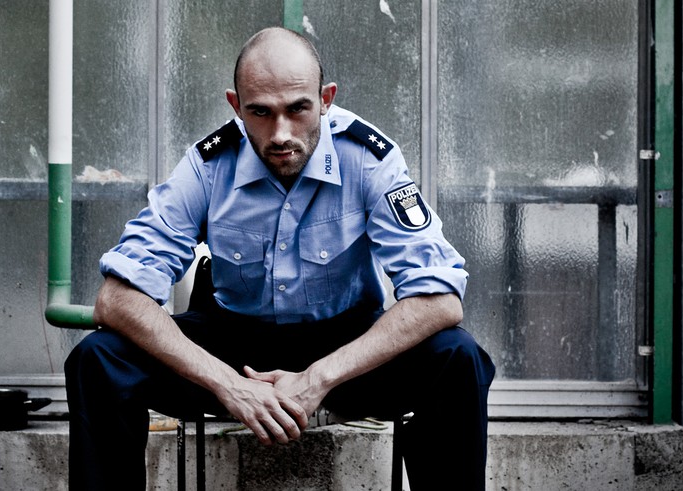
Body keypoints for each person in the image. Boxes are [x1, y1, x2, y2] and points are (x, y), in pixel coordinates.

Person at [64, 26, 495, 490]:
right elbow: (117, 300)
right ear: (236, 106)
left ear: (325, 98)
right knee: (99, 359)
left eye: (298, 109)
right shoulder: (208, 166)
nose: (280, 134)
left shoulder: (369, 159)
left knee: (458, 356)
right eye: (261, 113)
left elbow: (440, 298)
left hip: (344, 347)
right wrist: (229, 385)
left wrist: (317, 378)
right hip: (232, 344)